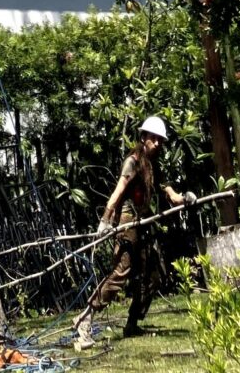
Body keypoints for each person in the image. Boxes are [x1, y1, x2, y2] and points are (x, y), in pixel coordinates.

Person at [73, 115, 196, 350]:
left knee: (153, 275)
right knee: (122, 272)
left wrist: (185, 199)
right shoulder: (133, 161)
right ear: (143, 138)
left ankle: (132, 323)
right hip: (128, 223)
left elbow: (170, 194)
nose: (157, 143)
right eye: (153, 139)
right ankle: (85, 318)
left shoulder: (153, 166)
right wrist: (105, 220)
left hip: (144, 224)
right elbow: (118, 191)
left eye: (160, 140)